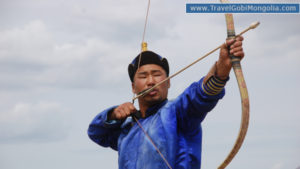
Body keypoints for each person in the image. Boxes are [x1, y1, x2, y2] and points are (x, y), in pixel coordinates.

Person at [88, 36, 245, 169]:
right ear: (133, 87)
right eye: (143, 76)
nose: (150, 81)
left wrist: (222, 69)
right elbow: (96, 132)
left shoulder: (178, 111)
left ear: (168, 82)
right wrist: (113, 114)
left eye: (157, 75)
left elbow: (200, 95)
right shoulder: (127, 127)